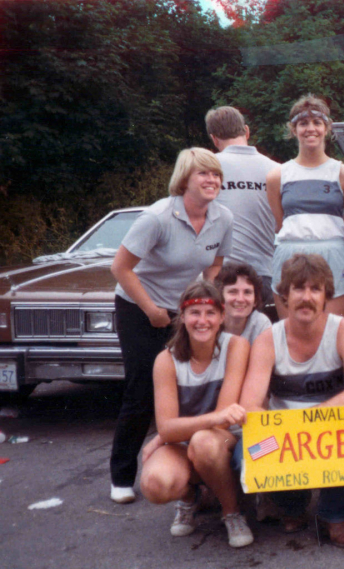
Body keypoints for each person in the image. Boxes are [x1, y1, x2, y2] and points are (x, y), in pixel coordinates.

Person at [109, 147, 233, 504]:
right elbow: (120, 268)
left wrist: (207, 304)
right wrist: (151, 310)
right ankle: (121, 475)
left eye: (216, 175)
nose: (212, 181)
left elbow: (214, 267)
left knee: (185, 385)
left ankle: (183, 462)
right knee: (142, 388)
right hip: (139, 306)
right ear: (184, 180)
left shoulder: (223, 217)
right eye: (203, 174)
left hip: (185, 310)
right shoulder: (157, 217)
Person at [238, 253, 344, 547]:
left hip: (330, 427)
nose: (306, 297)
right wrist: (286, 432)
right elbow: (250, 404)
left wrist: (312, 420)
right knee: (247, 453)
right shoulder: (268, 339)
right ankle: (291, 504)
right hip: (284, 431)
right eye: (298, 288)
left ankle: (334, 515)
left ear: (327, 295)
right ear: (285, 294)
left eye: (315, 289)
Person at [138, 281, 253, 548]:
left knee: (203, 442)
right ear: (183, 317)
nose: (203, 321)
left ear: (222, 316)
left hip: (224, 439)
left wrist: (165, 435)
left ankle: (232, 512)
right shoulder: (165, 360)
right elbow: (166, 427)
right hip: (183, 442)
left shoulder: (236, 346)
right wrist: (165, 435)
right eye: (195, 313)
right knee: (155, 485)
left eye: (210, 313)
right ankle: (191, 497)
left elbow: (223, 419)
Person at [267, 95, 344, 319]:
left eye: (317, 123)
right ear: (293, 129)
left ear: (326, 128)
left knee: (335, 330)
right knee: (293, 334)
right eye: (303, 123)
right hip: (290, 255)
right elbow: (281, 224)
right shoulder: (277, 176)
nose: (311, 129)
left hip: (333, 255)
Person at [206, 106, 280, 308]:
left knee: (225, 339)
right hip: (266, 274)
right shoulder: (276, 169)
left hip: (222, 276)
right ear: (246, 131)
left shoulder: (207, 170)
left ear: (214, 139)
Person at [214, 262, 272, 345]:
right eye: (233, 292)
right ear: (220, 297)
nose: (240, 299)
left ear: (255, 300)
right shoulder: (210, 322)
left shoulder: (261, 324)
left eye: (247, 292)